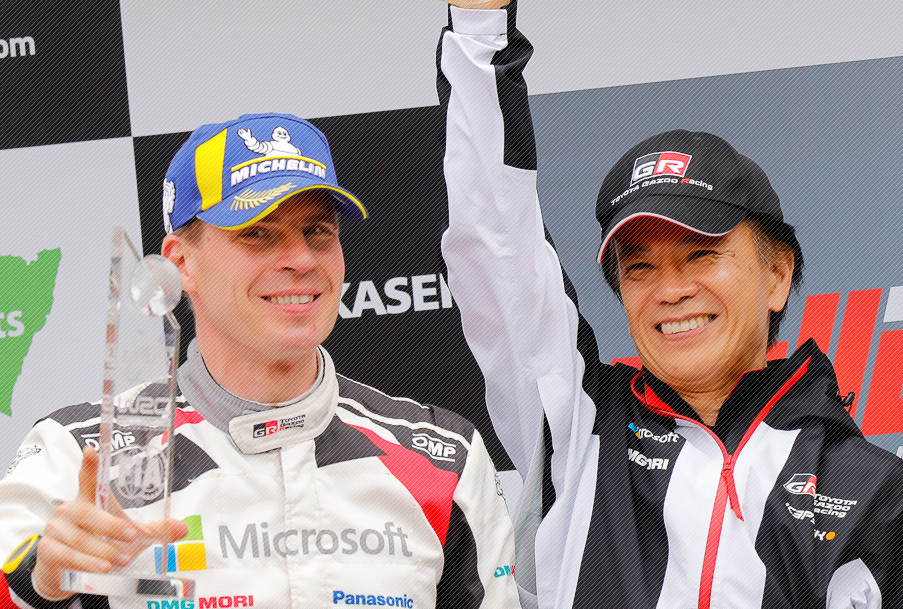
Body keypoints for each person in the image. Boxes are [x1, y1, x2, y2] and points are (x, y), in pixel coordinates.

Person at [409, 0, 903, 609]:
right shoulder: (579, 429)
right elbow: (494, 240)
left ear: (777, 272)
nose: (670, 289)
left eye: (702, 255)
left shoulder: (874, 492)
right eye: (639, 267)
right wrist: (478, 20)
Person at [0, 114, 517, 609]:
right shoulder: (79, 454)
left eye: (318, 231)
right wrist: (38, 577)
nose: (302, 259)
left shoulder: (443, 459)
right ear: (181, 263)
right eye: (258, 233)